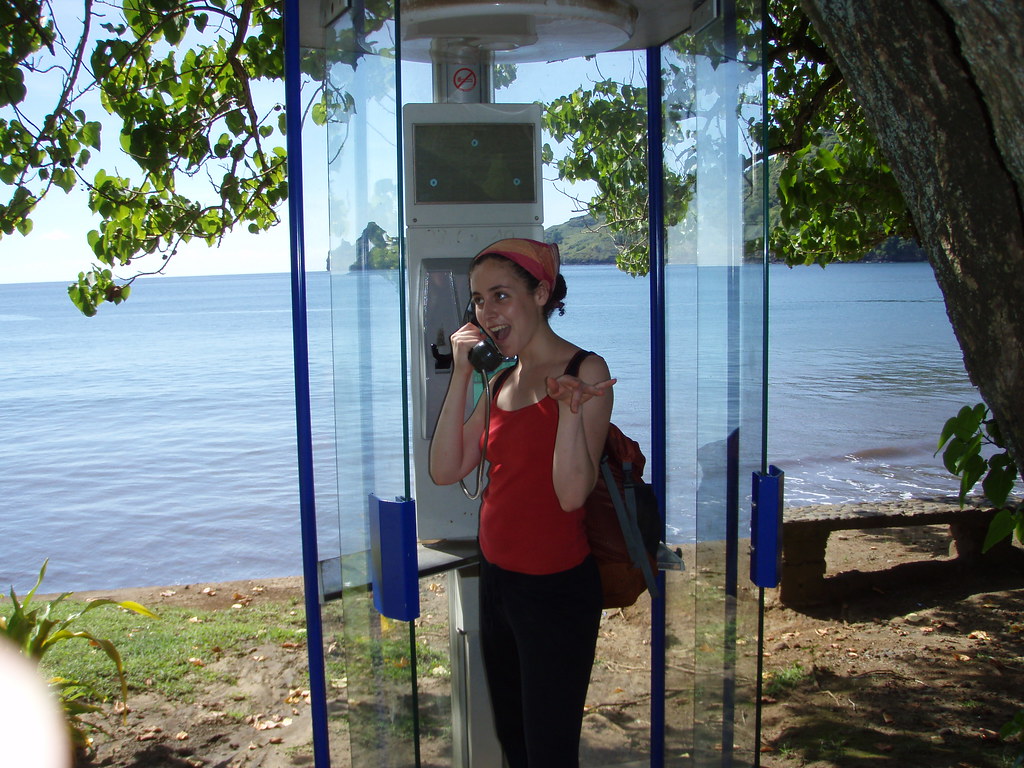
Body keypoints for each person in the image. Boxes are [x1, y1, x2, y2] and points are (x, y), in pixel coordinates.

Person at [429, 238, 615, 767]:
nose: (487, 312)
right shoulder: (502, 379)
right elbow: (445, 469)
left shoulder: (584, 371)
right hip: (499, 581)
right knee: (514, 739)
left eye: (501, 295)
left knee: (549, 749)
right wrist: (463, 372)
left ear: (540, 294)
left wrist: (570, 414)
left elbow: (571, 495)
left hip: (554, 590)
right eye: (478, 299)